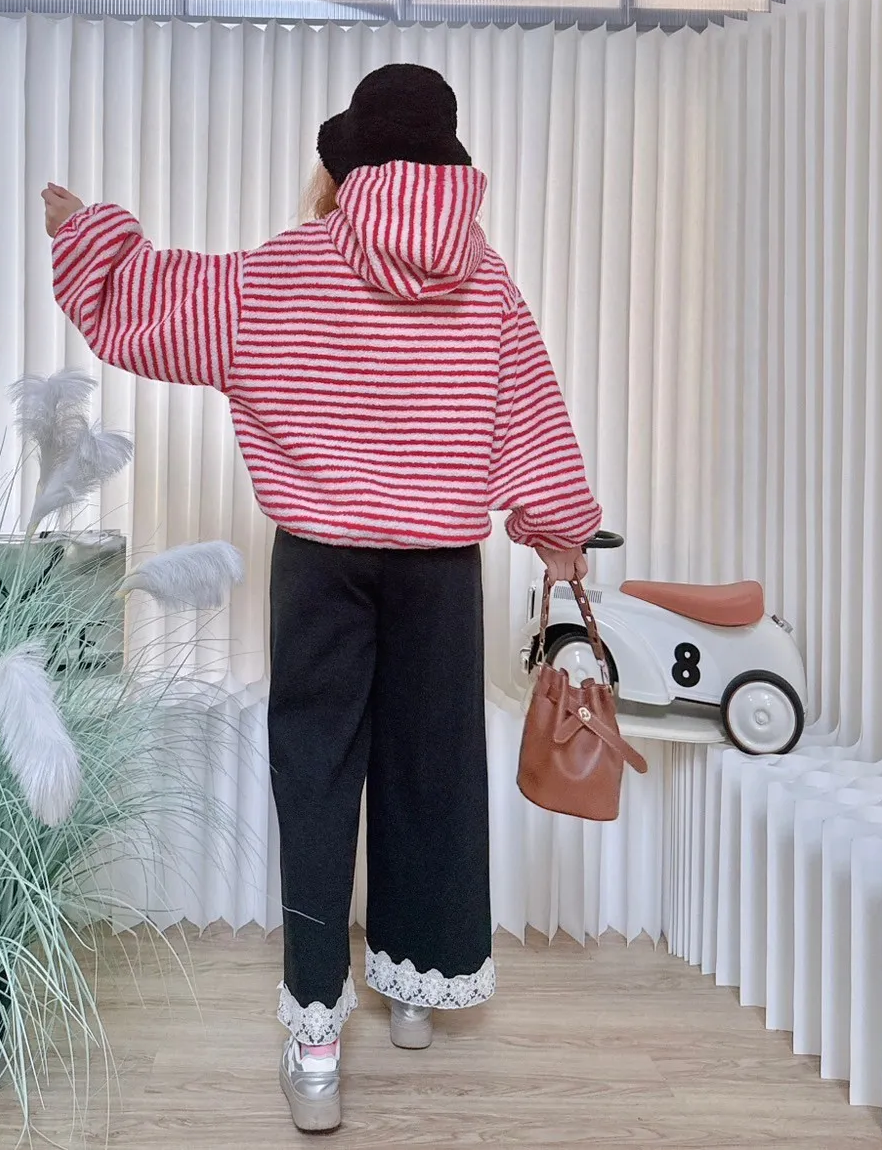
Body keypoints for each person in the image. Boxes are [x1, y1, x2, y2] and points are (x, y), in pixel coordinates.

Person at [43, 63, 601, 1134]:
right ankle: (414, 986)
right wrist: (557, 530)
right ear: (448, 167)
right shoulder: (485, 279)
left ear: (347, 166)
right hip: (440, 570)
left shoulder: (287, 271)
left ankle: (313, 1037)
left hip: (319, 565)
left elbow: (157, 306)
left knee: (315, 778)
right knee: (429, 771)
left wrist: (87, 239)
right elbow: (529, 411)